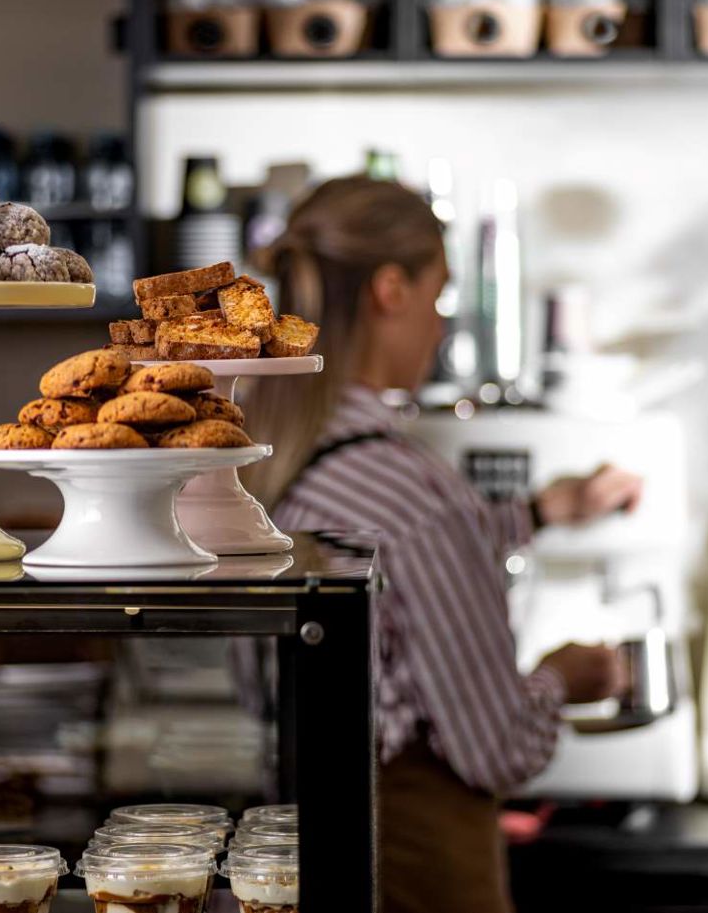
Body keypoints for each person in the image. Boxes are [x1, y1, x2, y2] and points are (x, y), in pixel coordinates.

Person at [243, 176, 644, 913]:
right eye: (438, 295)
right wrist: (560, 678)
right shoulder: (420, 499)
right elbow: (499, 748)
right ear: (390, 290)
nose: (440, 325)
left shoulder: (269, 464)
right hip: (420, 877)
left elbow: (395, 554)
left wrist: (548, 508)